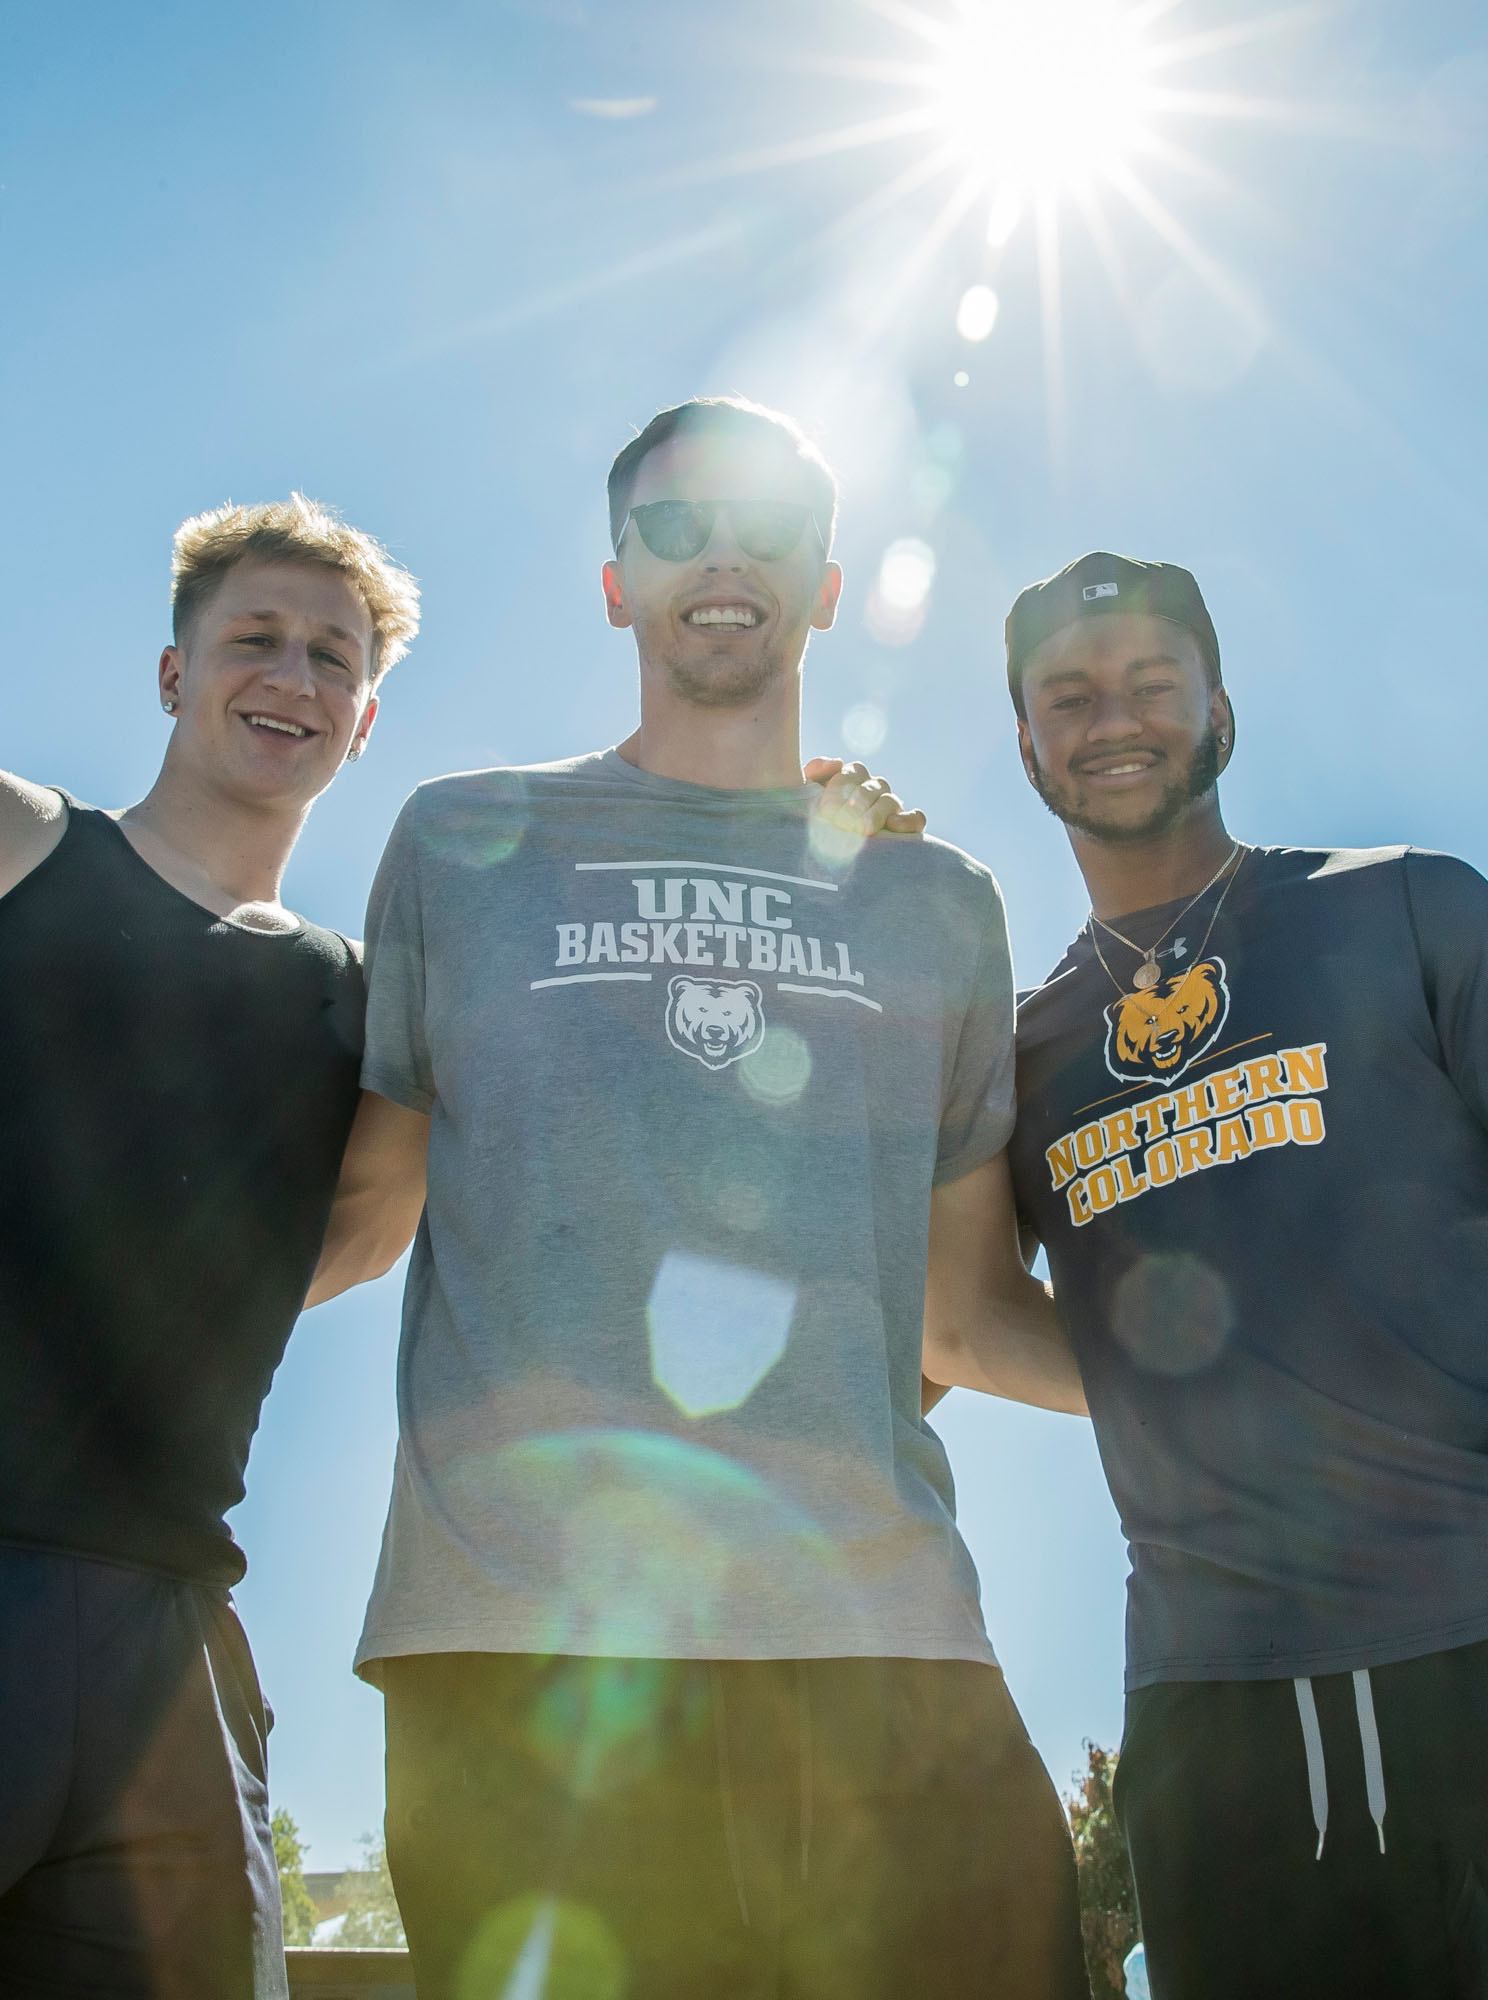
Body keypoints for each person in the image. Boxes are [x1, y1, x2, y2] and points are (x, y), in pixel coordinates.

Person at [313, 396, 1091, 2000]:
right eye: (674, 526)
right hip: (519, 1654)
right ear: (617, 582)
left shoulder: (934, 898)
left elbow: (958, 1303)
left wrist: (1255, 1397)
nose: (719, 554)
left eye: (764, 525)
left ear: (822, 578)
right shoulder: (460, 841)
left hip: (887, 1646)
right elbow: (364, 1210)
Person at [1003, 550, 1488, 1998]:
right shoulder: (1019, 1054)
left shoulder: (1408, 907)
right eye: (1069, 695)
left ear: (1221, 706)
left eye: (1154, 681)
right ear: (1025, 739)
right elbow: (944, 1327)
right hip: (1208, 1712)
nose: (1115, 718)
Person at [0, 494, 420, 1999]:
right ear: (175, 675)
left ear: (364, 723)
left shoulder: (366, 1000)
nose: (293, 678)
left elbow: (369, 1231)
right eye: (254, 639)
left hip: (170, 1626)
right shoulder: (30, 848)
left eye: (331, 657)